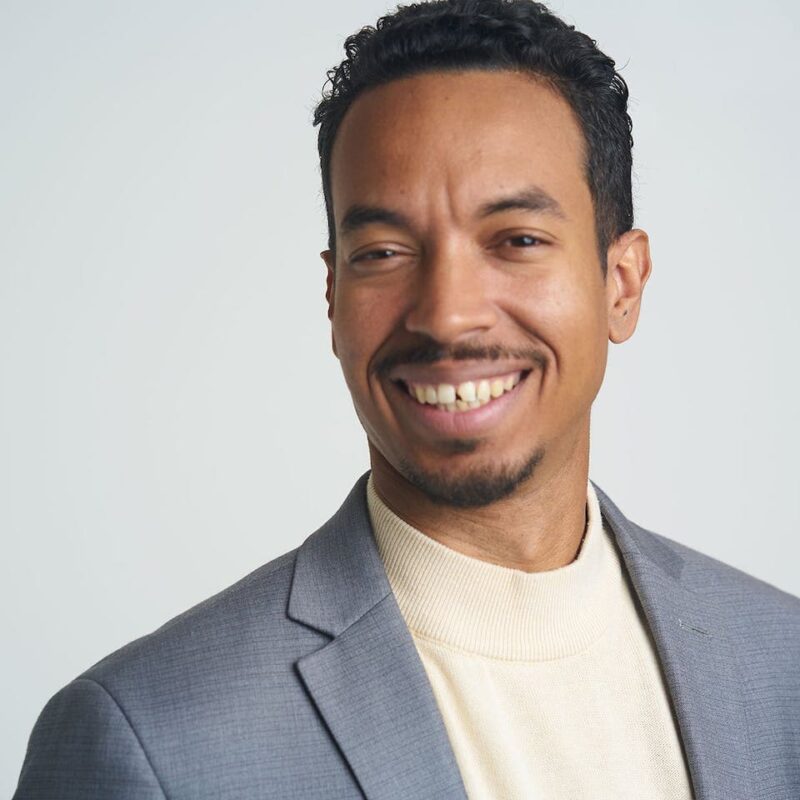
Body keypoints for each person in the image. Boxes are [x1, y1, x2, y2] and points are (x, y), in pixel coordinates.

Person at [14, 1, 800, 797]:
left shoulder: (781, 664)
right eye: (384, 252)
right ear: (332, 293)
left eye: (517, 240)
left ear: (622, 284)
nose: (447, 313)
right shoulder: (148, 739)